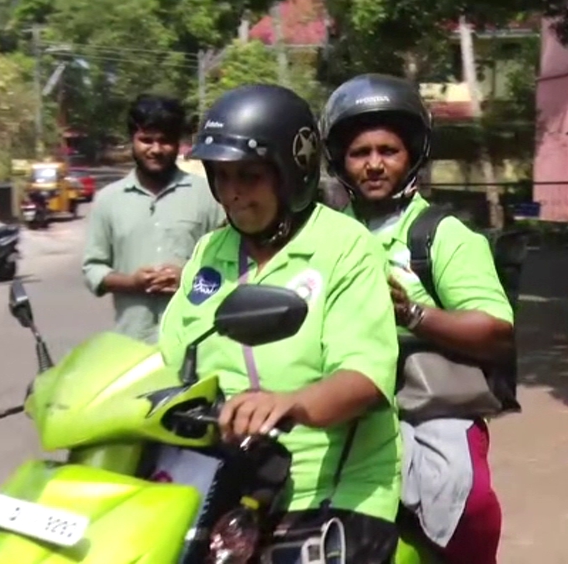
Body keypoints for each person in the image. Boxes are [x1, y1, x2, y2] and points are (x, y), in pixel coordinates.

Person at [158, 84, 402, 564]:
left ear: (292, 173)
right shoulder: (212, 250)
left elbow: (366, 377)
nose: (232, 192)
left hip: (331, 486)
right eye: (221, 176)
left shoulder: (345, 247)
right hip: (227, 476)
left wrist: (287, 404)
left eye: (249, 175)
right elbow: (170, 356)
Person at [319, 73, 511, 564]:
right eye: (361, 153)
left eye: (389, 150)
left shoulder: (439, 235)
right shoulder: (326, 234)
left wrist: (412, 312)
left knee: (470, 505)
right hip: (341, 399)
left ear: (413, 157)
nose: (374, 164)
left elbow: (496, 333)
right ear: (340, 160)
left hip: (429, 406)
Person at [82, 94, 224, 343]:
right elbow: (93, 268)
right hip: (131, 346)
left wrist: (188, 279)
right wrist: (132, 282)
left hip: (196, 345)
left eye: (165, 141)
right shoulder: (108, 201)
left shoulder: (209, 196)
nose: (155, 150)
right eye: (146, 140)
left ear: (178, 143)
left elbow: (232, 268)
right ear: (132, 141)